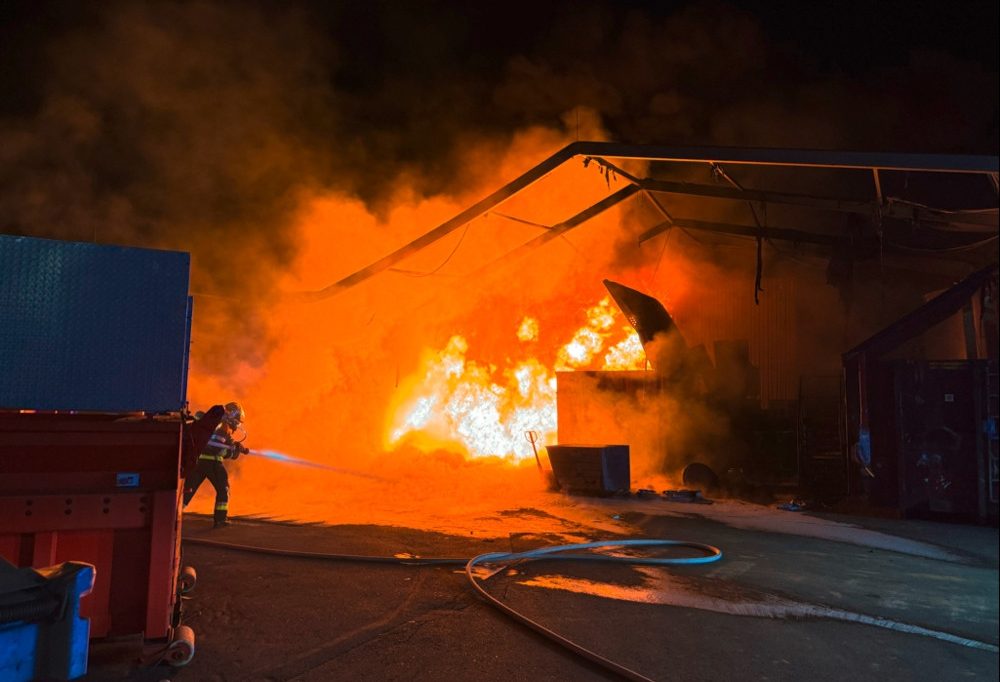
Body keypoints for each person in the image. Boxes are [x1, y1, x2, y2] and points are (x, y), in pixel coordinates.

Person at [183, 401, 248, 527]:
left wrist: (236, 449)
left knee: (189, 490)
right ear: (232, 417)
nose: (237, 424)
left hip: (199, 462)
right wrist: (233, 451)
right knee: (224, 490)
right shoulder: (224, 427)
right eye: (237, 420)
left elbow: (222, 445)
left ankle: (175, 513)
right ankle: (220, 520)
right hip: (213, 463)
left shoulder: (215, 423)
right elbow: (218, 449)